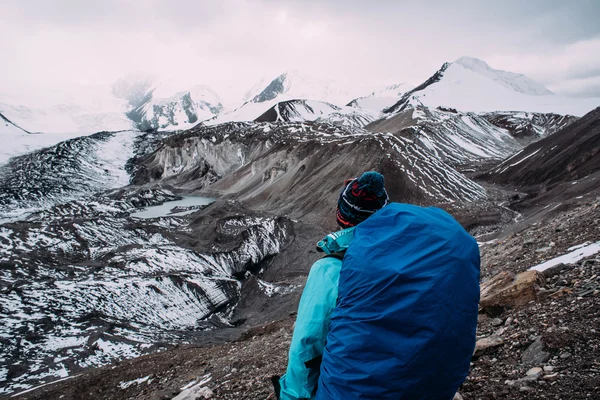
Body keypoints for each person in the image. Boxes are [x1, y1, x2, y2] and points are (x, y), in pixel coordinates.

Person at [278, 171, 480, 400]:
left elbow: (307, 346)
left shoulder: (331, 271)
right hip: (431, 386)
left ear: (341, 217)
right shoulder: (419, 257)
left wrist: (292, 396)